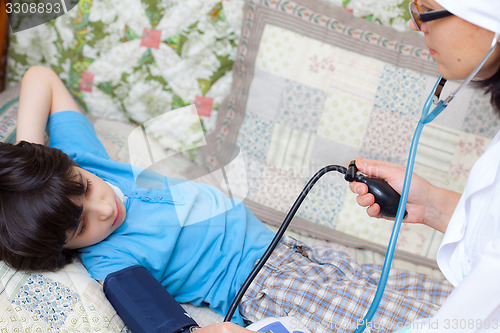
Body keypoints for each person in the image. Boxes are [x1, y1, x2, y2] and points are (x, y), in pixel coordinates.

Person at [0, 65, 452, 333]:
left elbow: (40, 76)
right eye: (81, 227)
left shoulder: (84, 161)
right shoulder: (110, 261)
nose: (103, 208)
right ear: (65, 248)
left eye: (85, 186)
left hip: (307, 256)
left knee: (448, 298)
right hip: (269, 287)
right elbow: (153, 317)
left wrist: (31, 158)